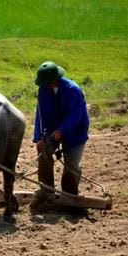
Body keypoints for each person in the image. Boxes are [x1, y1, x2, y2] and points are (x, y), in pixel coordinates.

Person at [33, 61, 90, 196]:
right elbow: (40, 115)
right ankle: (47, 191)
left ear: (55, 79)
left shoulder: (73, 90)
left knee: (71, 167)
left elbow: (76, 115)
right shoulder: (43, 90)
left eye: (48, 83)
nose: (46, 86)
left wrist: (62, 130)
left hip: (76, 131)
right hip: (53, 129)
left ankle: (69, 196)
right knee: (43, 154)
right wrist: (39, 137)